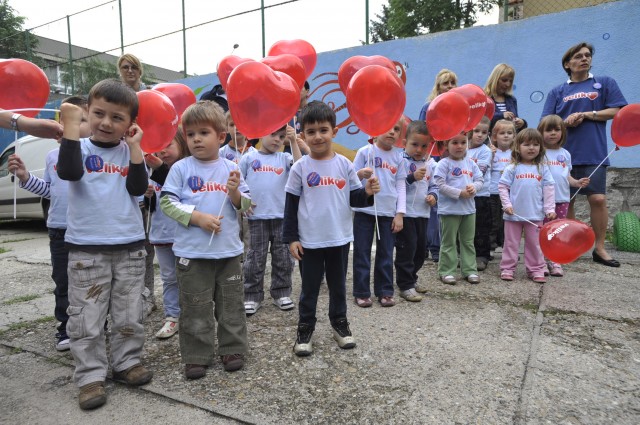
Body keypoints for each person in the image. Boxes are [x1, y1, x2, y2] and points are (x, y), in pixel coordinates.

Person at [56, 79, 153, 410]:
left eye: (117, 117)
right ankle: (90, 377)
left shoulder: (131, 152)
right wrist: (71, 128)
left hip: (129, 248)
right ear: (86, 111)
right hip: (87, 250)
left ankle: (127, 362)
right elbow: (69, 173)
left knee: (129, 312)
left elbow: (138, 188)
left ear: (130, 123)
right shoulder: (77, 148)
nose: (107, 123)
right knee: (87, 318)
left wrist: (137, 148)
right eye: (98, 113)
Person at [160, 100, 250, 380]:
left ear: (221, 136)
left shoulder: (231, 167)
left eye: (203, 133)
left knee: (231, 305)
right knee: (195, 307)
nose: (196, 139)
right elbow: (167, 202)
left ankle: (232, 349)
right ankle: (196, 355)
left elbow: (247, 206)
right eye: (190, 134)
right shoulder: (181, 168)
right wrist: (197, 217)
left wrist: (235, 193)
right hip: (192, 254)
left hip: (228, 254)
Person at [283, 100, 379, 356]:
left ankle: (340, 325)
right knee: (309, 290)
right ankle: (305, 330)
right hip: (310, 242)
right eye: (311, 132)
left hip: (338, 240)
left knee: (338, 287)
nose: (318, 136)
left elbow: (354, 199)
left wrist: (367, 193)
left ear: (334, 132)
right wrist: (291, 238)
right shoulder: (299, 168)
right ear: (302, 135)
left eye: (323, 130)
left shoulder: (346, 165)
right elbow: (290, 206)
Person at [7, 95, 90, 352]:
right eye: (70, 121)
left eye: (83, 120)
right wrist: (23, 177)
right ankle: (65, 328)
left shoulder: (95, 154)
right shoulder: (52, 156)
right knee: (64, 281)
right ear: (59, 125)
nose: (77, 126)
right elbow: (49, 190)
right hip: (59, 228)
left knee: (91, 282)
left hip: (88, 230)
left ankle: (95, 323)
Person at [541, 41, 627, 268]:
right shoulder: (557, 91)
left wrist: (589, 114)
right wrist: (563, 122)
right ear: (568, 64)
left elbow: (618, 110)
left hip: (594, 152)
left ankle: (599, 248)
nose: (584, 59)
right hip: (561, 155)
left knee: (598, 199)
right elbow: (544, 123)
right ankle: (568, 246)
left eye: (587, 55)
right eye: (578, 56)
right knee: (565, 202)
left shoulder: (604, 83)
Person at [239, 124, 301, 315]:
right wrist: (244, 203)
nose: (277, 139)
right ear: (260, 133)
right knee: (254, 259)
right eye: (273, 134)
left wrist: (293, 142)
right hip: (256, 217)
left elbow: (301, 168)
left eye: (281, 136)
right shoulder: (249, 157)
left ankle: (281, 292)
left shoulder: (285, 157)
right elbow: (238, 181)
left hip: (282, 217)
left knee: (283, 258)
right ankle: (251, 295)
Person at [352, 118, 407, 308]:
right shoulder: (364, 152)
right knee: (362, 252)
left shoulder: (399, 157)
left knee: (385, 253)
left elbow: (400, 185)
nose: (392, 132)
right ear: (375, 128)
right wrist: (361, 174)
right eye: (387, 126)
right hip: (364, 210)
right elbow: (351, 180)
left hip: (388, 212)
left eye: (397, 129)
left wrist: (400, 213)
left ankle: (385, 291)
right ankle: (361, 292)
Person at [117, 53, 156, 314]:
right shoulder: (116, 97)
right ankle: (124, 299)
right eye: (125, 67)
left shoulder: (150, 97)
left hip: (150, 162)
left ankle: (148, 295)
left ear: (140, 71)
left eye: (134, 67)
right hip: (122, 166)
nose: (130, 71)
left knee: (147, 243)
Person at [144, 128, 191, 339]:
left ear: (181, 143)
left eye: (168, 144)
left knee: (191, 277)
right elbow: (152, 206)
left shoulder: (187, 169)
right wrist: (148, 196)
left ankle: (194, 314)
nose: (163, 150)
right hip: (162, 235)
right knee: (169, 277)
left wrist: (160, 169)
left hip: (186, 235)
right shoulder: (152, 174)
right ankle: (172, 316)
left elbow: (182, 194)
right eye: (159, 147)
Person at [498, 128, 556, 283]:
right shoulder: (512, 168)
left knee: (535, 244)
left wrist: (549, 209)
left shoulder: (542, 168)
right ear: (518, 147)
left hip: (535, 215)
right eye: (527, 144)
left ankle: (536, 269)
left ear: (541, 148)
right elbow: (502, 187)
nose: (531, 148)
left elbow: (549, 188)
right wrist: (507, 205)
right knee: (511, 243)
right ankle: (507, 268)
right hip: (513, 214)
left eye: (536, 144)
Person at [539, 115, 590, 277]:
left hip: (561, 199)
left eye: (557, 130)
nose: (553, 133)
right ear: (541, 132)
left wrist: (576, 182)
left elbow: (566, 176)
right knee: (541, 231)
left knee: (557, 232)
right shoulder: (538, 152)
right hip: (541, 200)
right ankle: (539, 262)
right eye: (548, 130)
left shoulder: (565, 154)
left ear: (563, 133)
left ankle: (554, 260)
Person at [418, 69, 458, 263]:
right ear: (438, 87)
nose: (449, 87)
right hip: (431, 157)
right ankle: (426, 245)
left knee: (442, 204)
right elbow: (420, 132)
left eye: (452, 83)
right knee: (430, 202)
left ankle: (437, 246)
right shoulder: (428, 107)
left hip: (448, 159)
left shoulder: (458, 108)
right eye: (445, 83)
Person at [433, 132, 483, 285]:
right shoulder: (444, 164)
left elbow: (480, 179)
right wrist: (459, 193)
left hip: (469, 210)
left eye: (463, 142)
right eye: (454, 142)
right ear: (446, 145)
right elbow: (439, 185)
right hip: (449, 210)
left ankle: (469, 270)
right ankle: (447, 271)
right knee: (449, 242)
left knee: (468, 241)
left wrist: (474, 188)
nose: (460, 146)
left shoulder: (471, 163)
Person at [395, 120, 437, 299]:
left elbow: (433, 185)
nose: (419, 150)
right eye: (414, 145)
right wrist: (411, 177)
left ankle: (412, 277)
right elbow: (397, 185)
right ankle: (405, 285)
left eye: (424, 146)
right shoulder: (400, 161)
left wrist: (433, 196)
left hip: (423, 213)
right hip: (406, 214)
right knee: (407, 249)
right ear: (404, 143)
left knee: (421, 250)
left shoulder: (430, 164)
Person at [467, 116, 493, 271]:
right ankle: (464, 254)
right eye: (476, 131)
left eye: (484, 132)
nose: (480, 135)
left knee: (481, 227)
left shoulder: (485, 151)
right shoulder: (463, 148)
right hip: (463, 195)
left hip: (480, 195)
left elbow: (480, 172)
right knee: (465, 227)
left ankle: (481, 255)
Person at [489, 119, 516, 253]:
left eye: (509, 133)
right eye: (502, 133)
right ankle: (491, 248)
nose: (506, 135)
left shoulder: (516, 154)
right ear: (494, 137)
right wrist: (490, 155)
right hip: (493, 192)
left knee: (508, 223)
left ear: (514, 136)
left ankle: (508, 249)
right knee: (493, 222)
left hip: (510, 193)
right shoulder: (491, 152)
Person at [484, 63, 527, 132]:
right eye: (504, 80)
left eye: (510, 81)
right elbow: (483, 120)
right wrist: (501, 115)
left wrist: (522, 123)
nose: (508, 84)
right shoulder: (485, 99)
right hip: (489, 140)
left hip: (510, 140)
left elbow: (515, 120)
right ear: (495, 79)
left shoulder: (512, 99)